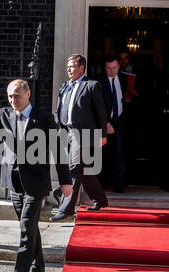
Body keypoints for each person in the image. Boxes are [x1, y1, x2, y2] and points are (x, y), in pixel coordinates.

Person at [0, 79, 73, 272]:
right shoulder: (5, 114)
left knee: (27, 225)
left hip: (36, 182)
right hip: (14, 181)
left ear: (28, 95)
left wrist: (65, 181)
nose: (13, 100)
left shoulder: (44, 118)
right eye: (10, 96)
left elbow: (58, 149)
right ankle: (38, 270)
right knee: (28, 226)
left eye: (17, 95)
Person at [50, 54, 109, 222]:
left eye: (72, 66)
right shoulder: (64, 87)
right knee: (85, 169)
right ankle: (101, 199)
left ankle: (66, 208)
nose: (68, 69)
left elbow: (101, 112)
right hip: (66, 132)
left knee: (73, 169)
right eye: (68, 66)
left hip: (82, 133)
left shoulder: (91, 86)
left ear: (81, 68)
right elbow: (59, 110)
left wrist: (103, 134)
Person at [98, 55, 127, 193]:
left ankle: (118, 184)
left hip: (120, 120)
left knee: (119, 151)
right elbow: (97, 105)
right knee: (103, 152)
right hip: (104, 121)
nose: (112, 71)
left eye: (114, 68)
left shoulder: (123, 78)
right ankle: (100, 183)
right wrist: (105, 123)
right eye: (109, 68)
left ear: (119, 66)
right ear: (105, 68)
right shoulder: (99, 81)